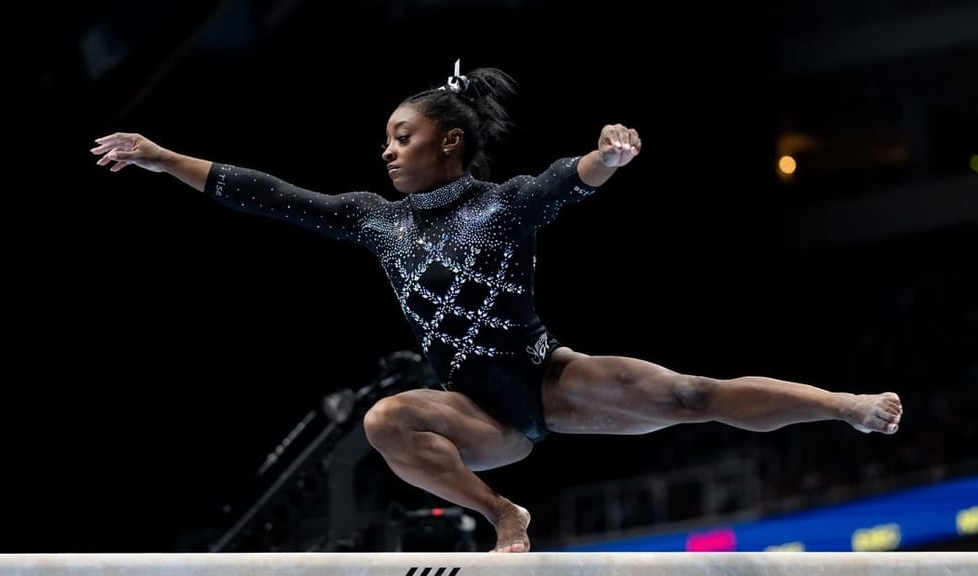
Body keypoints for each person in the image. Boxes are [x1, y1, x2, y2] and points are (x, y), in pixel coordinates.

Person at [91, 64, 903, 553]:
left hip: (549, 381)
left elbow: (563, 182)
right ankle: (501, 515)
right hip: (479, 417)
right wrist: (163, 158)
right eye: (385, 137)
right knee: (383, 422)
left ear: (448, 141)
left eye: (400, 135)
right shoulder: (376, 220)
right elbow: (273, 196)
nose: (386, 149)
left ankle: (846, 406)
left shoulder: (505, 205)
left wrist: (608, 158)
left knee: (690, 396)